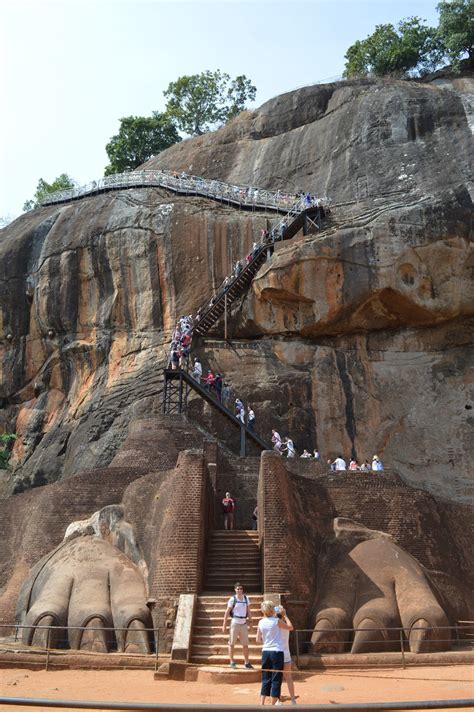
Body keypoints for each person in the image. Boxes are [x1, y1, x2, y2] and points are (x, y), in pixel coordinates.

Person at [256, 601, 293, 706]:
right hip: (276, 651)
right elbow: (290, 627)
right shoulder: (277, 621)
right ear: (272, 610)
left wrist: (267, 639)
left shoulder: (261, 622)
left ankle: (261, 704)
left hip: (265, 651)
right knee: (276, 678)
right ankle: (273, 704)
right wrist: (285, 615)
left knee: (265, 678)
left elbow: (258, 639)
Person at [222, 582, 253, 669]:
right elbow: (227, 612)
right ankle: (232, 661)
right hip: (235, 622)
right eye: (238, 589)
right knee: (231, 643)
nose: (239, 590)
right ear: (235, 590)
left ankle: (247, 662)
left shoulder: (246, 598)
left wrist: (251, 623)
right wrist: (224, 624)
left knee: (245, 644)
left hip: (243, 623)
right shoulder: (232, 599)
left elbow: (248, 611)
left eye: (241, 589)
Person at [275, 605, 297, 705]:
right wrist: (286, 615)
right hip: (286, 653)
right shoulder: (285, 625)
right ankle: (293, 700)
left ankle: (278, 700)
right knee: (288, 677)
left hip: (277, 653)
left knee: (277, 677)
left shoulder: (273, 625)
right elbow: (291, 627)